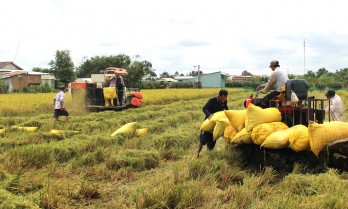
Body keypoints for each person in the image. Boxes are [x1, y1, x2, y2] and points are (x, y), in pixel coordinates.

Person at [197, 89, 229, 157]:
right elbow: (204, 108)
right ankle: (198, 153)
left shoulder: (224, 101)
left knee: (212, 141)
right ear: (220, 96)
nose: (225, 99)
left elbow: (226, 109)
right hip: (209, 122)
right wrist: (209, 115)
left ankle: (208, 156)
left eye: (226, 98)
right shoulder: (212, 100)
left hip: (217, 124)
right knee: (203, 140)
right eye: (224, 98)